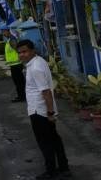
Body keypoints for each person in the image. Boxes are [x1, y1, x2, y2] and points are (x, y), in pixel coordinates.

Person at [17, 39, 70, 179]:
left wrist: (50, 113)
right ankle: (64, 168)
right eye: (20, 52)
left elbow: (45, 92)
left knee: (45, 143)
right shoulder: (39, 61)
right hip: (43, 110)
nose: (22, 55)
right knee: (54, 139)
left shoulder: (35, 68)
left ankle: (51, 171)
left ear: (32, 51)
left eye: (25, 51)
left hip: (39, 111)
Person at [3, 28, 25, 103]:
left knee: (19, 82)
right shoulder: (10, 40)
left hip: (16, 64)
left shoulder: (12, 40)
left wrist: (22, 60)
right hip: (14, 64)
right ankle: (22, 96)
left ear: (8, 31)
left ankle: (21, 97)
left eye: (4, 31)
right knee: (19, 82)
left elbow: (17, 50)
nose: (3, 33)